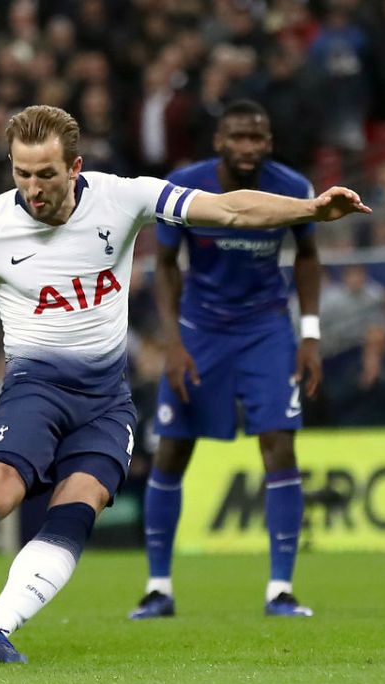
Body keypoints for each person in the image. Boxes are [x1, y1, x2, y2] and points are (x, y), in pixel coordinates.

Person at [0, 105, 370, 662]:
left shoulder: (122, 198)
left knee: (76, 511)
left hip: (107, 399)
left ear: (74, 167)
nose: (33, 188)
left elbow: (230, 207)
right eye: (22, 173)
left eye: (46, 173)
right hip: (35, 388)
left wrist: (312, 209)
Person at [129, 99, 323, 621]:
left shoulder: (293, 187)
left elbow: (308, 255)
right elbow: (165, 264)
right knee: (172, 451)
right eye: (237, 137)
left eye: (256, 138)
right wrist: (172, 341)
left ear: (269, 143)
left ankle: (280, 589)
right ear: (219, 141)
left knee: (280, 447)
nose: (247, 147)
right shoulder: (184, 187)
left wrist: (310, 334)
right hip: (201, 330)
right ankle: (158, 588)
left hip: (266, 329)